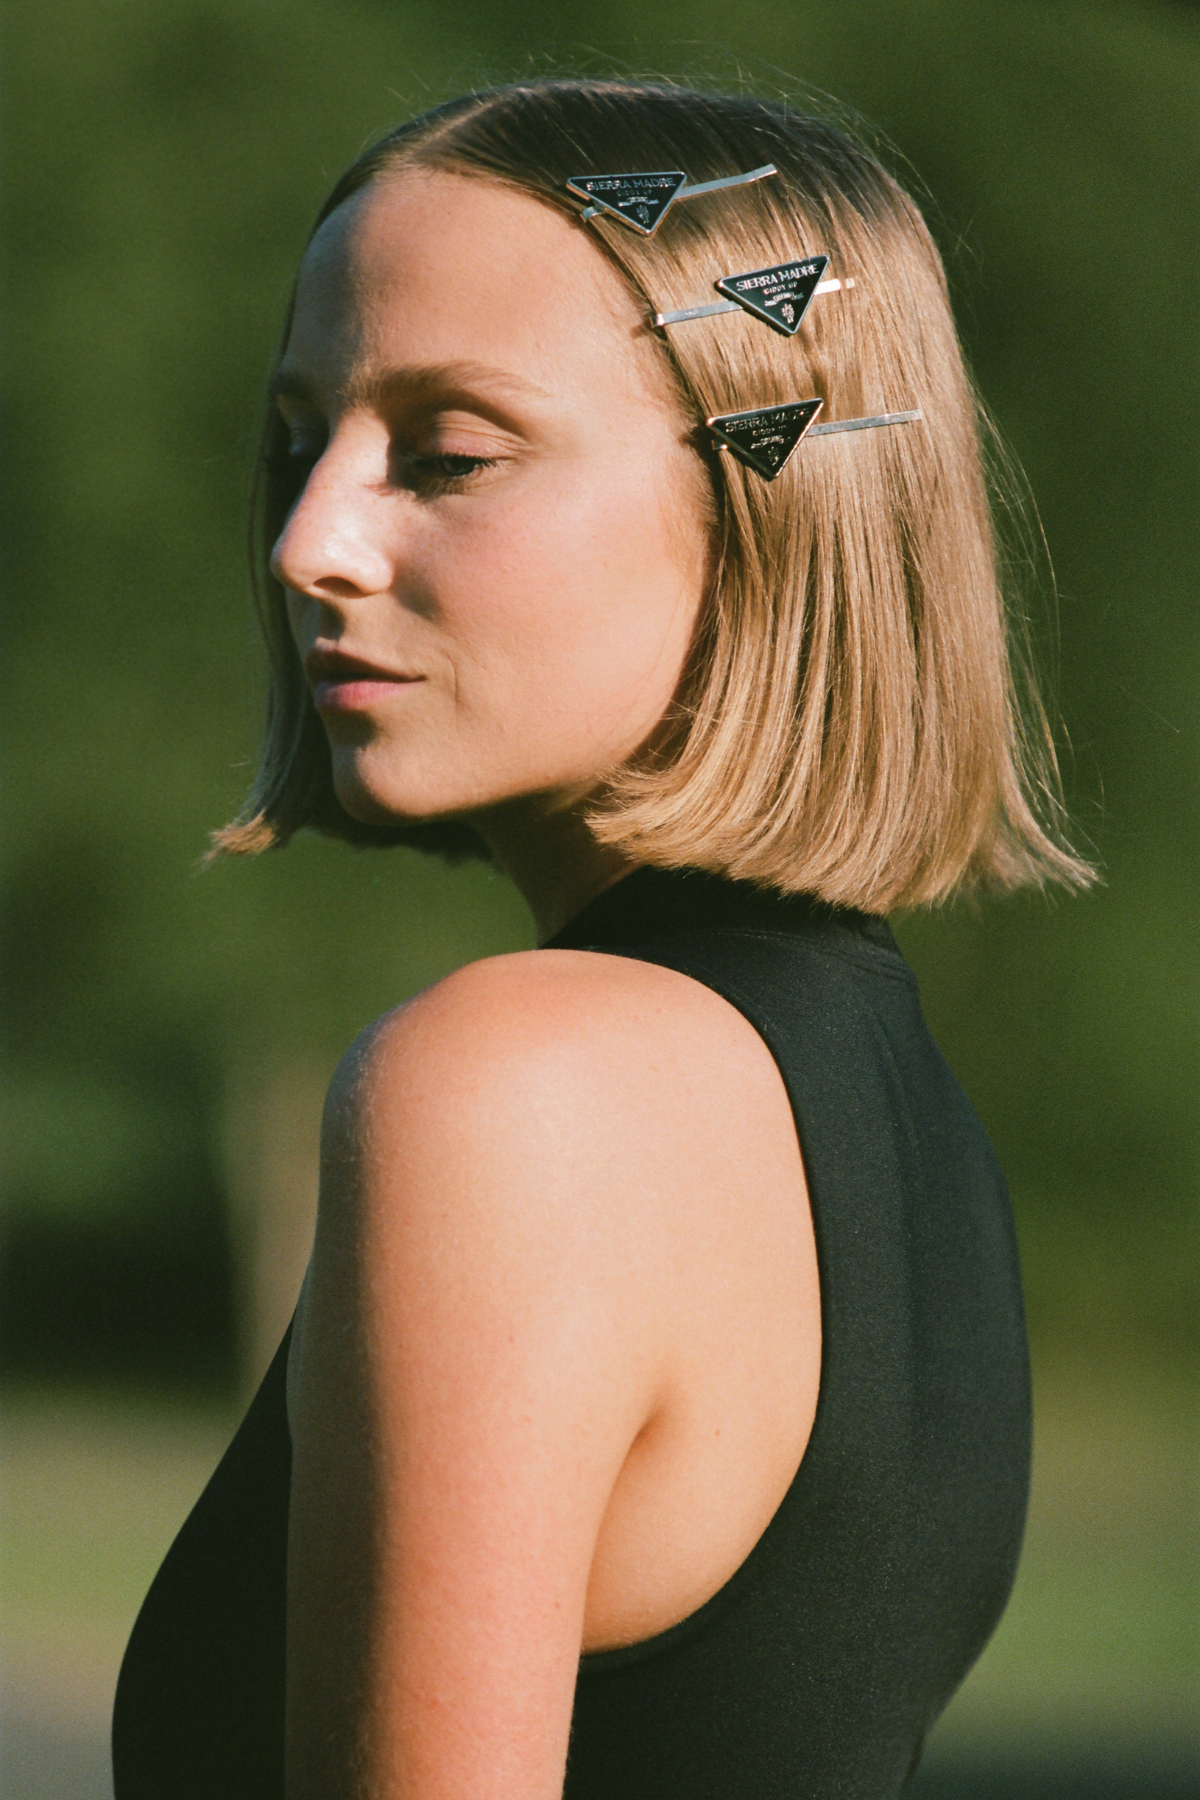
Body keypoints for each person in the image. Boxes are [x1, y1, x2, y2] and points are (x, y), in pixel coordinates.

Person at [111, 79, 1091, 1799]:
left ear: (768, 501)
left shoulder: (519, 1092)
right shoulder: (905, 1132)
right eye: (298, 441)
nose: (305, 542)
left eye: (450, 453)